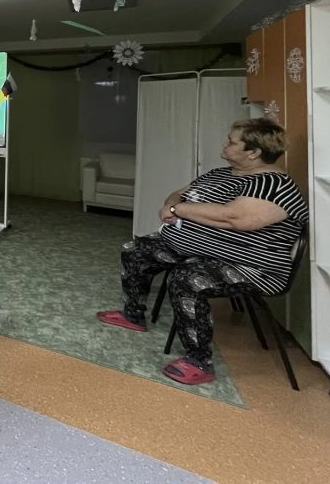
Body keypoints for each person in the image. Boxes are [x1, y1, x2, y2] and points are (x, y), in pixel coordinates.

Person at [96, 118, 308, 385]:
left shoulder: (273, 185)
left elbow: (236, 219)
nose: (225, 144)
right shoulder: (220, 174)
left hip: (250, 267)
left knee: (187, 279)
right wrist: (172, 206)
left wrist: (179, 210)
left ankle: (199, 361)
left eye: (232, 141)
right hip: (197, 251)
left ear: (253, 152)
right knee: (137, 250)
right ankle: (133, 315)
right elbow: (179, 194)